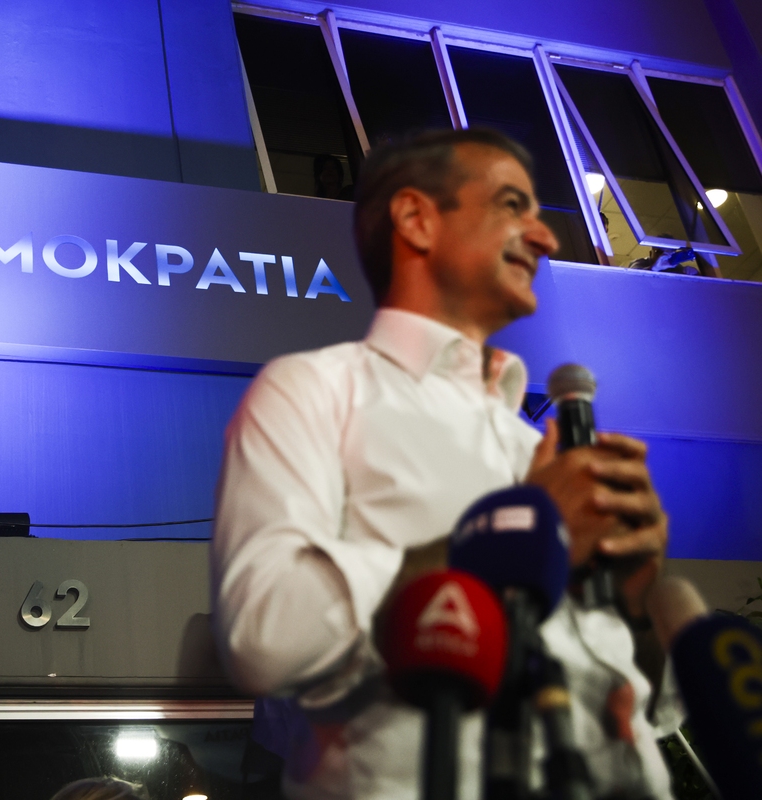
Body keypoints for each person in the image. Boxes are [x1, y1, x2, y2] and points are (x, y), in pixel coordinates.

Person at [212, 128, 673, 799]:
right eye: (512, 205)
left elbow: (640, 702)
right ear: (417, 219)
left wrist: (635, 602)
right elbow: (264, 637)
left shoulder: (531, 447)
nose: (545, 237)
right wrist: (513, 538)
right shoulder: (315, 390)